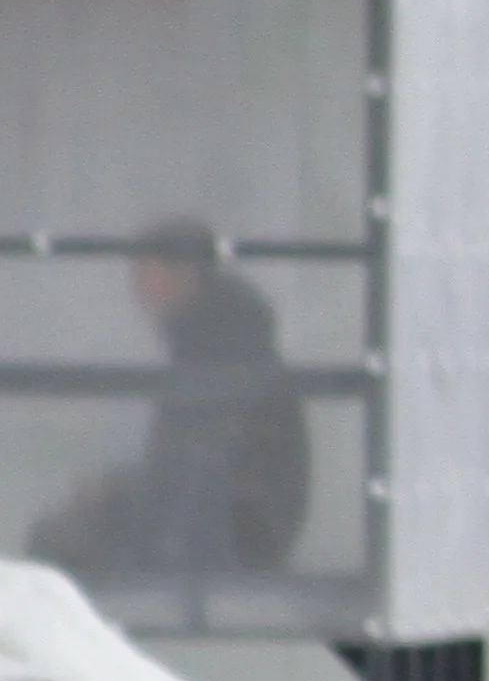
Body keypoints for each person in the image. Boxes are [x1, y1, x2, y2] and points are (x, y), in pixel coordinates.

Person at [28, 216, 312, 583]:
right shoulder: (215, 341)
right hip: (227, 523)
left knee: (58, 545)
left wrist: (115, 495)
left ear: (186, 275)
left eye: (146, 278)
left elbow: (197, 469)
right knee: (63, 536)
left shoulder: (219, 350)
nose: (138, 292)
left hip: (232, 536)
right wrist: (115, 490)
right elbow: (183, 462)